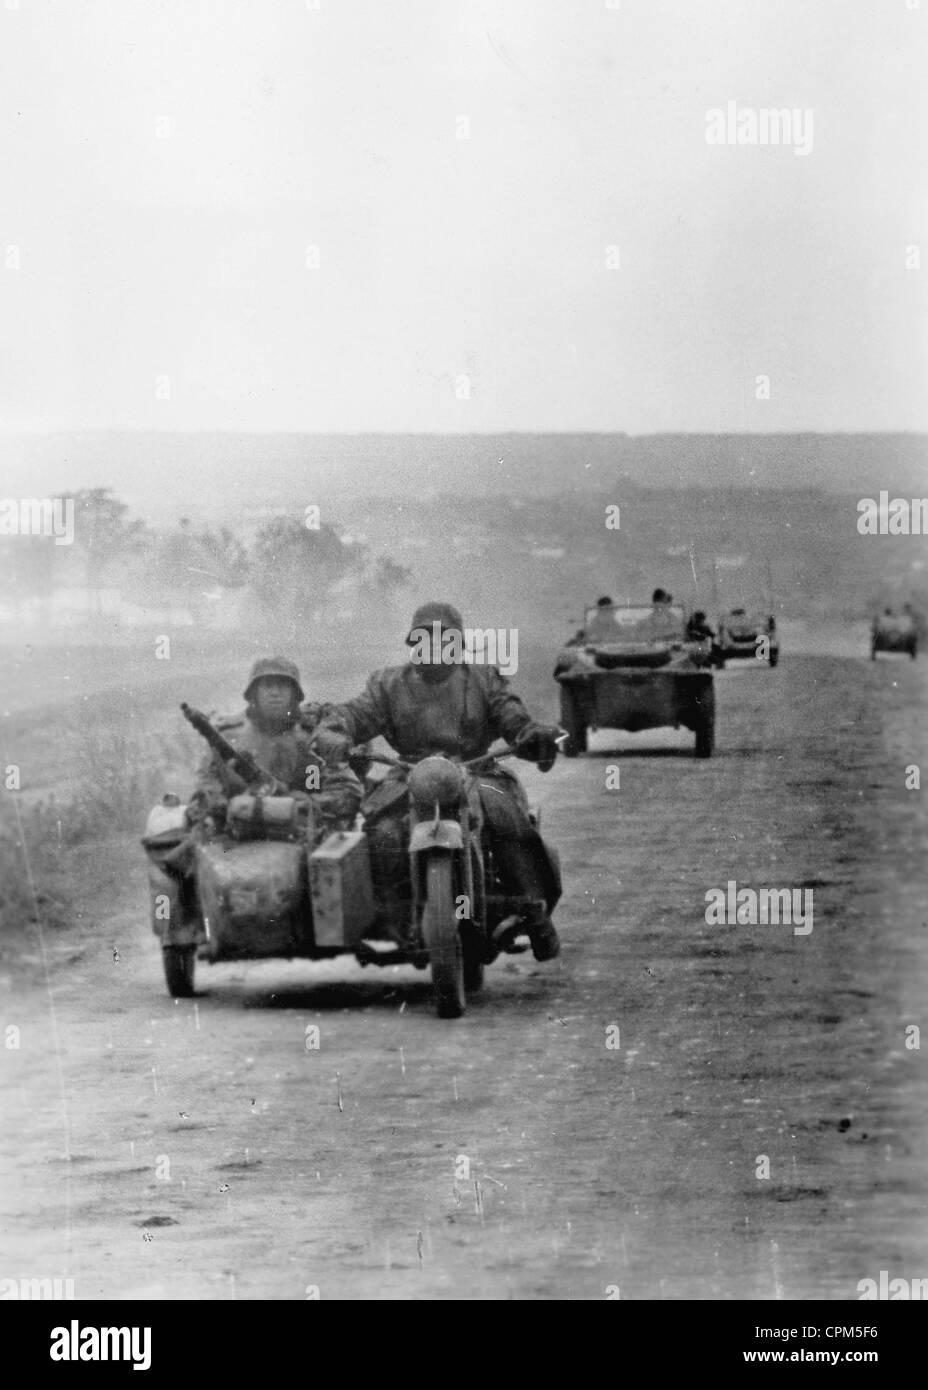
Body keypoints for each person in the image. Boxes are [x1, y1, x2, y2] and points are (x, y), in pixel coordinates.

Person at [310, 602, 564, 961]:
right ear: (413, 643)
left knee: (507, 818)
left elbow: (510, 713)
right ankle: (393, 914)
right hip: (409, 773)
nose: (433, 646)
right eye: (423, 638)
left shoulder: (482, 678)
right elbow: (355, 714)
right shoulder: (387, 684)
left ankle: (533, 907)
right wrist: (335, 730)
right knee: (381, 831)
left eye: (443, 638)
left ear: (457, 643)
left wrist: (529, 733)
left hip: (475, 770)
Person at [188, 655, 362, 840]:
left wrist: (303, 805)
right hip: (237, 837)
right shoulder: (227, 736)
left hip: (304, 834)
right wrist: (222, 806)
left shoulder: (315, 737)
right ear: (254, 692)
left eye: (282, 685)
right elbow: (206, 784)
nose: (275, 693)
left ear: (295, 694)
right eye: (268, 685)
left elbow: (344, 792)